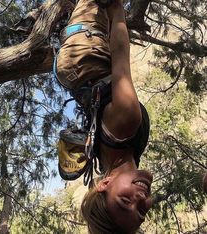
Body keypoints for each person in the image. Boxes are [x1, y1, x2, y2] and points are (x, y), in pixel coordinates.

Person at [54, 0, 153, 233]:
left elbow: (120, 54)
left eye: (125, 201)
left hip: (86, 51)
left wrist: (116, 8)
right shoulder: (105, 159)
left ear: (106, 184)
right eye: (141, 212)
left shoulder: (126, 122)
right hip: (75, 66)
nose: (142, 199)